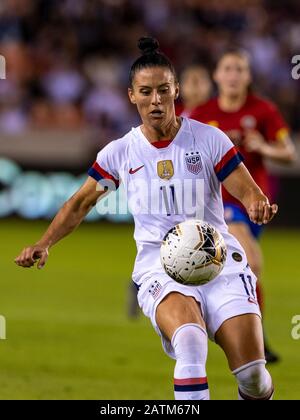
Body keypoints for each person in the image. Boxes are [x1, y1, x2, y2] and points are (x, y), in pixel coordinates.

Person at [15, 37, 278, 400]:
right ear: (131, 96)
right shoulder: (120, 152)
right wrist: (44, 243)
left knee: (253, 376)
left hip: (218, 259)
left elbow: (247, 190)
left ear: (176, 91)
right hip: (160, 265)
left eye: (163, 90)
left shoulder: (209, 139)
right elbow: (80, 203)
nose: (156, 100)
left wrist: (256, 204)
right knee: (188, 341)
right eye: (146, 91)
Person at [191, 49, 296, 364]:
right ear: (217, 76)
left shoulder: (263, 110)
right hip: (221, 202)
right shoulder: (202, 114)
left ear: (248, 76)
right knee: (250, 261)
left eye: (240, 69)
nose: (234, 74)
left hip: (256, 203)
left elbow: (288, 152)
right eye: (228, 68)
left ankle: (249, 333)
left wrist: (262, 146)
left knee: (245, 269)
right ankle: (245, 337)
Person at [127, 63, 213, 318]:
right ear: (180, 88)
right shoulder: (172, 118)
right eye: (192, 81)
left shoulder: (213, 119)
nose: (196, 87)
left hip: (215, 197)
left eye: (201, 81)